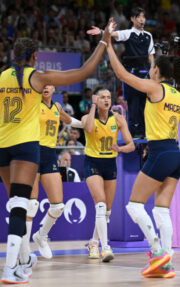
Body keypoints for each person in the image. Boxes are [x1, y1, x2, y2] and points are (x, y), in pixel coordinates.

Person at [0, 20, 111, 284]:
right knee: (20, 207)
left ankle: (25, 259)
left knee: (20, 204)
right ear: (34, 57)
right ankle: (9, 269)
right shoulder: (36, 77)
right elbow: (84, 71)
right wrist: (105, 42)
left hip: (2, 145)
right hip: (25, 147)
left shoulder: (2, 77)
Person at [105, 28, 180, 278]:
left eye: (153, 67)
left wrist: (109, 45)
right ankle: (166, 262)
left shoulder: (155, 89)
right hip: (175, 155)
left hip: (160, 152)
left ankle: (157, 250)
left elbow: (121, 73)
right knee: (161, 210)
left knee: (134, 206)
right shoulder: (178, 95)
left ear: (156, 72)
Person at [21, 85, 78, 267]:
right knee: (32, 205)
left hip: (50, 155)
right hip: (33, 152)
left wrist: (86, 122)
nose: (45, 88)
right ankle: (24, 253)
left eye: (48, 85)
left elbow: (70, 121)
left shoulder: (57, 107)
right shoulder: (32, 104)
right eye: (42, 85)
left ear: (54, 88)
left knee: (58, 206)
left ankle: (41, 235)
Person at [82, 88, 134, 262]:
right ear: (96, 99)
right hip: (92, 163)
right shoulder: (87, 118)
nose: (106, 100)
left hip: (110, 164)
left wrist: (120, 148)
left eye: (108, 97)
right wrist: (92, 106)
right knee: (101, 205)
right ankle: (105, 247)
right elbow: (88, 129)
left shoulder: (118, 119)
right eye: (102, 97)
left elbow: (131, 145)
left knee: (107, 211)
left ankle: (93, 242)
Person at [87, 7, 155, 139]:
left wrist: (152, 70)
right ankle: (134, 133)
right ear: (132, 19)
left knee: (144, 104)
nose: (142, 20)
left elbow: (151, 56)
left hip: (145, 75)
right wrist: (102, 31)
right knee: (133, 103)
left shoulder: (149, 36)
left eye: (143, 17)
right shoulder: (128, 33)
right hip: (130, 74)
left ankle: (145, 132)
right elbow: (113, 35)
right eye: (139, 17)